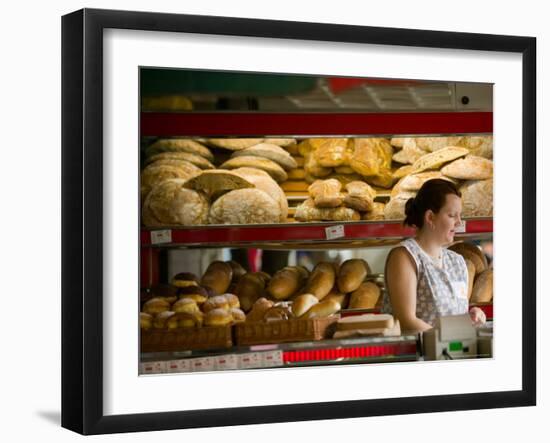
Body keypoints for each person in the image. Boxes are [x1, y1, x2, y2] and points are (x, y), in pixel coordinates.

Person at [384, 179, 486, 333]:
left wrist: (470, 318)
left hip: (454, 354)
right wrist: (451, 341)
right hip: (418, 355)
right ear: (430, 217)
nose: (459, 222)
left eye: (460, 216)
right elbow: (406, 322)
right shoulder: (404, 257)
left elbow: (451, 317)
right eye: (452, 215)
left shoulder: (457, 261)